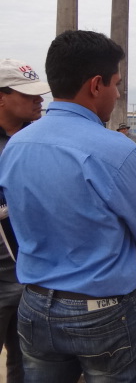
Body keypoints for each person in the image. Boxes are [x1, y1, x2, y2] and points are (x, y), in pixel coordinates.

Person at [0, 30, 136, 382]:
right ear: (96, 84)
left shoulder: (15, 146)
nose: (117, 94)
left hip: (35, 305)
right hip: (103, 311)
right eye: (116, 84)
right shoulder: (118, 151)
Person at [0, 58, 50, 383]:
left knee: (29, 365)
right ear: (1, 97)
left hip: (36, 273)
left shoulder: (45, 139)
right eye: (28, 94)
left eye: (39, 93)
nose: (39, 100)